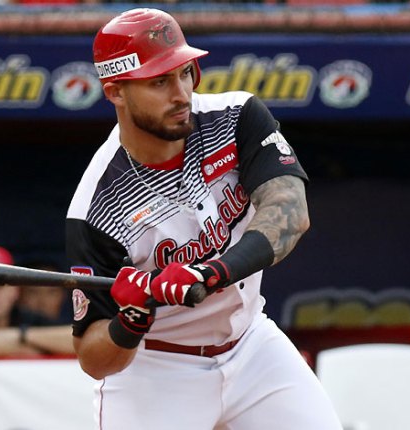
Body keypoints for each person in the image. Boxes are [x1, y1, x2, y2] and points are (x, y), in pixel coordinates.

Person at [66, 8, 342, 429]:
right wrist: (134, 317)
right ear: (115, 92)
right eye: (159, 81)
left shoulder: (236, 118)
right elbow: (94, 359)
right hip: (157, 368)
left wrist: (210, 273)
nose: (181, 94)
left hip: (252, 346)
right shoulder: (97, 206)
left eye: (184, 72)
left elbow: (289, 215)